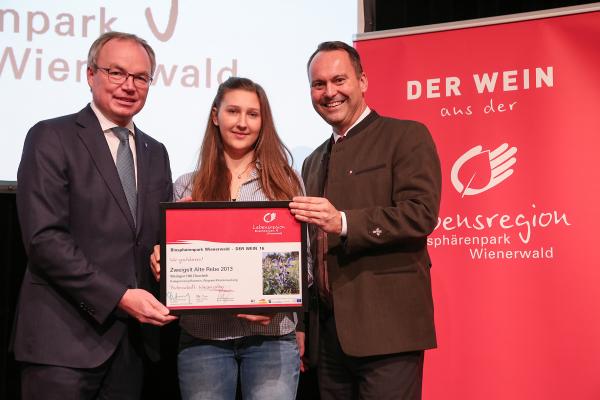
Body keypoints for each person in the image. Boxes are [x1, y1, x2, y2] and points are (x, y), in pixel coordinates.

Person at [12, 32, 177, 399]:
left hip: (132, 348)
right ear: (90, 75)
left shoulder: (156, 152)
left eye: (140, 77)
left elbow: (152, 240)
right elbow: (44, 240)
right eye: (116, 73)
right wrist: (119, 295)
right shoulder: (51, 136)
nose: (128, 86)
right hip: (62, 343)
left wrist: (171, 251)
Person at [289, 41, 442, 400]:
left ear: (363, 81)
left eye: (339, 80)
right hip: (326, 338)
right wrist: (301, 323)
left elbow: (421, 214)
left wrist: (344, 222)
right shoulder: (311, 161)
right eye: (319, 84)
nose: (329, 93)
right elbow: (307, 254)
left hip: (387, 328)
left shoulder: (405, 136)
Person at [150, 77, 306, 400]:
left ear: (264, 122)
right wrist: (164, 260)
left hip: (271, 337)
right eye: (233, 111)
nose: (242, 122)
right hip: (204, 339)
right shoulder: (187, 186)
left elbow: (302, 261)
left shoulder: (286, 182)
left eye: (253, 114)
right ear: (215, 115)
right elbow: (173, 264)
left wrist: (276, 305)